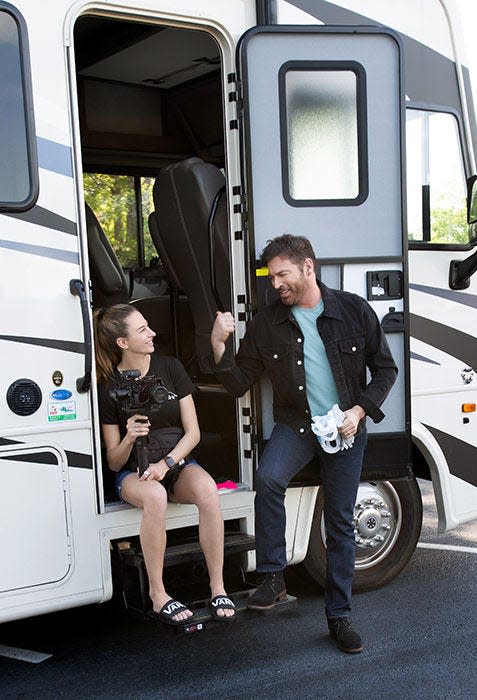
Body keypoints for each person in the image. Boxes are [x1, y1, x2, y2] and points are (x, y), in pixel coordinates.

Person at [210, 234, 397, 653]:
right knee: (269, 478)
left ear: (308, 267)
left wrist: (359, 412)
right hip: (297, 425)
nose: (276, 284)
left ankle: (340, 618)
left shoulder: (353, 310)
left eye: (283, 274)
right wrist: (220, 347)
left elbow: (385, 370)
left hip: (346, 428)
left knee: (340, 523)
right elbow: (239, 382)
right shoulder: (266, 322)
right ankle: (273, 575)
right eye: (272, 276)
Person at [94, 304, 236, 624]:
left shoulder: (170, 368)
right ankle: (159, 595)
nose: (152, 333)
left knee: (208, 491)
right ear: (122, 343)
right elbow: (114, 462)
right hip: (134, 473)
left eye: (149, 326)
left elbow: (194, 432)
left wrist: (167, 463)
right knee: (155, 496)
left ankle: (218, 587)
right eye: (143, 330)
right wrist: (130, 437)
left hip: (176, 461)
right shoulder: (109, 388)